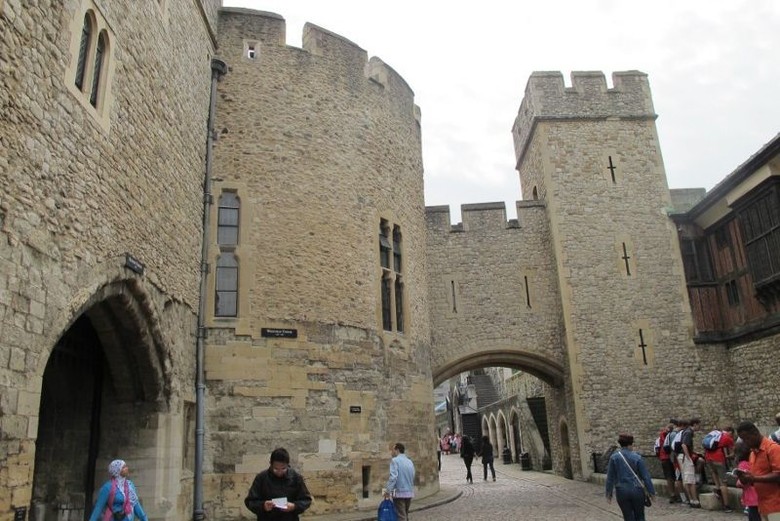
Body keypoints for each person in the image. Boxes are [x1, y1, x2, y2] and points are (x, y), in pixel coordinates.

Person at [245, 448, 313, 521]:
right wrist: (263, 505)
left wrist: (294, 506)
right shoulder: (261, 478)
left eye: (283, 468)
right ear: (270, 464)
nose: (279, 472)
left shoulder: (295, 477)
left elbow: (306, 500)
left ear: (288, 464)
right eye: (276, 469)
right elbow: (250, 501)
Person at [605, 433, 656, 521]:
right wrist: (651, 492)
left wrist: (608, 493)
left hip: (621, 491)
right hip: (637, 489)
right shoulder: (637, 457)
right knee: (640, 516)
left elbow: (610, 478)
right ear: (631, 444)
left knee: (628, 516)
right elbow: (646, 476)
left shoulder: (614, 458)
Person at [735, 421, 780, 520]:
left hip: (776, 505)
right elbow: (757, 477)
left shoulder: (773, 449)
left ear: (755, 433)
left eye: (747, 438)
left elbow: (778, 475)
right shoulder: (753, 454)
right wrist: (746, 479)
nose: (745, 442)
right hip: (763, 506)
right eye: (743, 440)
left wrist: (754, 478)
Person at [704, 425, 735, 512]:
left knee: (714, 473)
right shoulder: (727, 437)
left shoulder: (713, 435)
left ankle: (717, 489)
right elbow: (733, 452)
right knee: (723, 483)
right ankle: (726, 506)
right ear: (730, 431)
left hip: (708, 459)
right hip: (719, 459)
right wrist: (728, 457)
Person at [384, 442, 415, 521]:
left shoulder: (395, 461)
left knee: (401, 516)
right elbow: (413, 475)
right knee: (405, 514)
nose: (392, 452)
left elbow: (393, 477)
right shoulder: (409, 461)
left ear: (397, 450)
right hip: (409, 492)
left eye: (393, 450)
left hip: (399, 492)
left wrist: (388, 491)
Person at [678, 417, 702, 508]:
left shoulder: (686, 432)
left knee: (686, 479)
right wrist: (689, 458)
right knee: (690, 480)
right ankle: (694, 500)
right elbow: (684, 445)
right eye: (699, 425)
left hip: (681, 457)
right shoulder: (688, 432)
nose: (699, 427)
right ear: (695, 424)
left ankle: (691, 499)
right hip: (685, 457)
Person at [735, 441, 761, 521]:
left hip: (751, 497)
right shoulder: (754, 461)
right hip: (760, 494)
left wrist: (738, 482)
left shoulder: (742, 464)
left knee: (754, 516)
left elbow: (742, 482)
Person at [655, 421, 678, 503]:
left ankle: (672, 495)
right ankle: (675, 494)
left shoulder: (661, 436)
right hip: (670, 457)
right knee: (675, 477)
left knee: (669, 477)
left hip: (663, 458)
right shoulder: (670, 435)